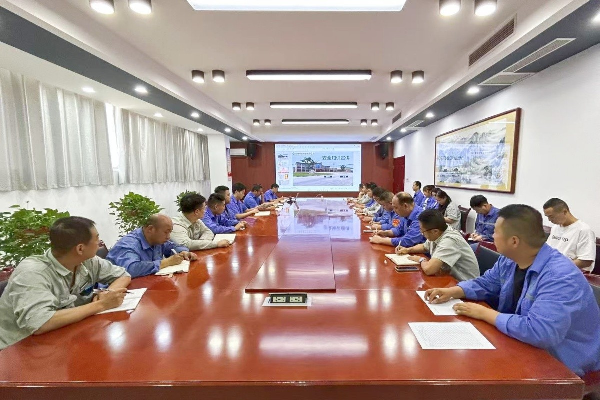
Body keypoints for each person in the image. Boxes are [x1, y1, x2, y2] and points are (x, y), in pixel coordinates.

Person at [424, 205, 600, 377]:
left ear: (514, 241)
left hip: (562, 362)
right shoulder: (510, 259)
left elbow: (540, 332)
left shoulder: (560, 276)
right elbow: (486, 283)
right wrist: (453, 291)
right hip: (520, 342)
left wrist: (484, 313)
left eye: (496, 232)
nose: (492, 236)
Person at [0, 217, 131, 350]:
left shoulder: (88, 261)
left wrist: (108, 293)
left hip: (65, 336)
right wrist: (101, 304)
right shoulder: (32, 273)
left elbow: (122, 275)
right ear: (80, 248)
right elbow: (40, 323)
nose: (99, 242)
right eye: (97, 238)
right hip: (19, 348)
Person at [397, 210, 480, 281]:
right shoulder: (439, 231)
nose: (422, 234)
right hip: (448, 278)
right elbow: (424, 246)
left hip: (463, 284)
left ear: (435, 231)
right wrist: (408, 250)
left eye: (423, 231)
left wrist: (421, 260)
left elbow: (429, 269)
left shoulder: (449, 240)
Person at [107, 214, 197, 278]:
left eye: (170, 232)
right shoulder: (129, 244)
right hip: (115, 291)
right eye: (166, 232)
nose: (168, 237)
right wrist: (166, 262)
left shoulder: (157, 239)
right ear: (150, 229)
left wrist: (183, 252)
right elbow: (131, 270)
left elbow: (172, 246)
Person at [543, 198, 596, 273]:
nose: (549, 220)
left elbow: (586, 261)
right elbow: (548, 250)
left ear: (564, 212)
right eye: (547, 217)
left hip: (573, 272)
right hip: (554, 269)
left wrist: (560, 266)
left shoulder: (583, 230)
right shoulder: (555, 228)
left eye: (551, 216)